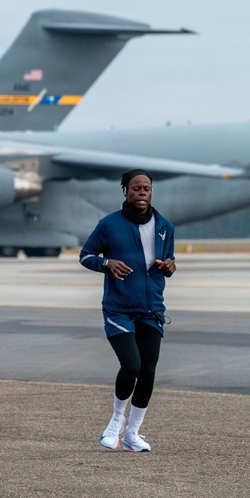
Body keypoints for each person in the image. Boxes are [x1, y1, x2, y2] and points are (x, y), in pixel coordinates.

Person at [79, 169, 176, 453]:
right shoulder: (109, 224)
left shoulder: (165, 226)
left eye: (146, 188)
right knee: (131, 366)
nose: (142, 192)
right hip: (119, 309)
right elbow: (86, 256)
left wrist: (170, 266)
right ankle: (115, 423)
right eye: (136, 188)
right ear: (125, 191)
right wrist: (107, 263)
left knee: (147, 371)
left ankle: (133, 434)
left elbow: (167, 261)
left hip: (152, 309)